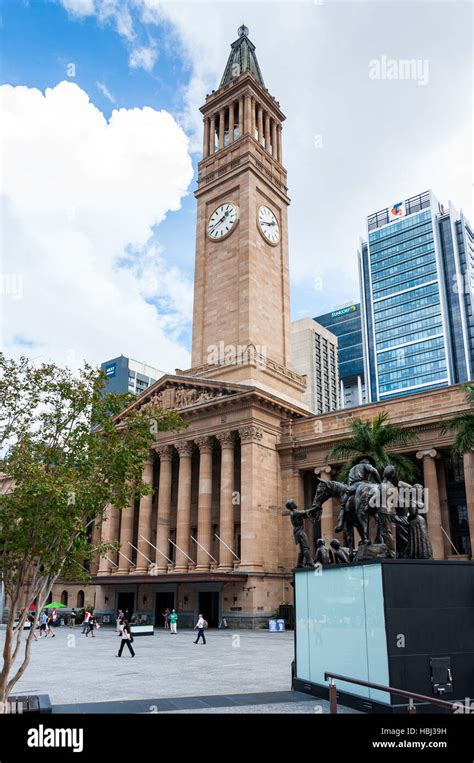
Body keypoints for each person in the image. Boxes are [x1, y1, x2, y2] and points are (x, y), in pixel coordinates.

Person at [335, 456, 381, 533]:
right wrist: (380, 483)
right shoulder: (366, 465)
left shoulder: (352, 469)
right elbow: (374, 471)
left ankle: (341, 521)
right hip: (363, 484)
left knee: (343, 503)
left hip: (352, 487)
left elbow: (349, 481)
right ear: (366, 462)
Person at [285, 499, 316, 568]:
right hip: (300, 532)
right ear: (292, 505)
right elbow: (305, 512)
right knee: (306, 548)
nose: (296, 503)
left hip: (297, 532)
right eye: (294, 503)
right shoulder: (295, 512)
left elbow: (305, 515)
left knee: (302, 549)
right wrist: (315, 508)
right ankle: (311, 563)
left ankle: (299, 564)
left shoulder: (292, 513)